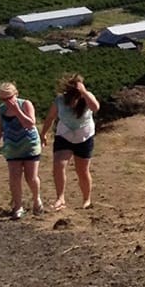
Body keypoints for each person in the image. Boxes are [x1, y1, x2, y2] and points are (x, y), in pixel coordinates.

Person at [0, 80, 43, 219]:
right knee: (14, 176)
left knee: (31, 177)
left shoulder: (25, 104)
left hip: (29, 144)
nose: (7, 101)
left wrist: (17, 110)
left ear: (16, 94)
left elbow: (30, 124)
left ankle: (37, 200)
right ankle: (18, 206)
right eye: (3, 99)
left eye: (9, 97)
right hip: (12, 146)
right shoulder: (1, 110)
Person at [42, 73, 100, 211]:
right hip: (64, 135)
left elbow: (95, 107)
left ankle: (87, 199)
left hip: (84, 137)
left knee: (82, 171)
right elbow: (50, 117)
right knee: (59, 165)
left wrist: (84, 92)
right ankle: (60, 198)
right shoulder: (60, 100)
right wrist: (43, 133)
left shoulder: (86, 97)